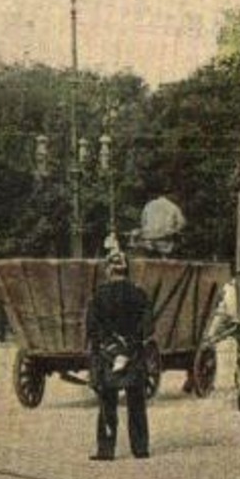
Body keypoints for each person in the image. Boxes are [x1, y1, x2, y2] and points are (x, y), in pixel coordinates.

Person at [87, 250, 152, 460]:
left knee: (107, 403)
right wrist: (131, 344)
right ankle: (140, 449)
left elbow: (91, 329)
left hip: (108, 354)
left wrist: (106, 348)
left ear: (109, 270)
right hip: (133, 353)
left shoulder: (99, 295)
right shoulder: (139, 294)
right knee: (137, 403)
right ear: (126, 270)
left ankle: (106, 450)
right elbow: (148, 328)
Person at [130, 191, 185, 256]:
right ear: (170, 195)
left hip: (148, 240)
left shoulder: (149, 205)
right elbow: (182, 224)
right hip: (165, 242)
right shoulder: (173, 207)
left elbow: (143, 222)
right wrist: (173, 230)